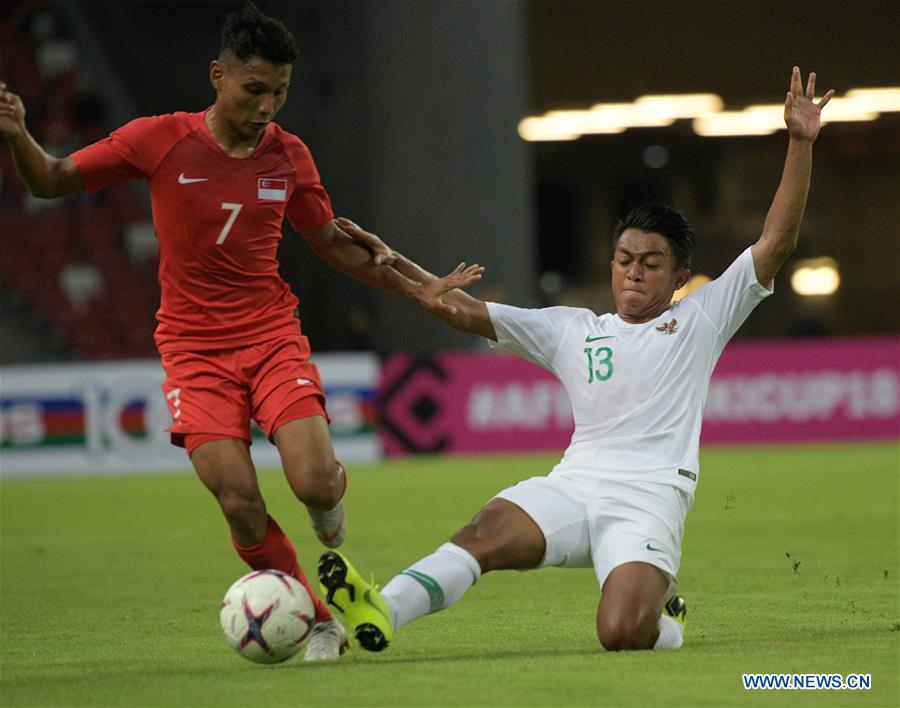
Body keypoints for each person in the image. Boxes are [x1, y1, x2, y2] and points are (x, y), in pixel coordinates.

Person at [0, 2, 475, 661]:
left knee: (312, 483)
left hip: (270, 336)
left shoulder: (289, 156)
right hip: (194, 354)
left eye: (279, 93)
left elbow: (333, 242)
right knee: (237, 500)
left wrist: (418, 283)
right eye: (254, 90)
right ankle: (317, 620)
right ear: (218, 75)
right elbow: (51, 180)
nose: (267, 107)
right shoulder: (158, 140)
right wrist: (19, 133)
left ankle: (330, 501)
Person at [319, 67, 834, 653]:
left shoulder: (703, 316)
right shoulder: (572, 329)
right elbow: (460, 309)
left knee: (621, 633)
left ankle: (668, 623)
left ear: (680, 277)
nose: (633, 269)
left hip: (650, 496)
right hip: (576, 483)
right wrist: (394, 265)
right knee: (485, 533)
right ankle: (378, 612)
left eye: (650, 261)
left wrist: (799, 143)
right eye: (623, 258)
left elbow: (776, 244)